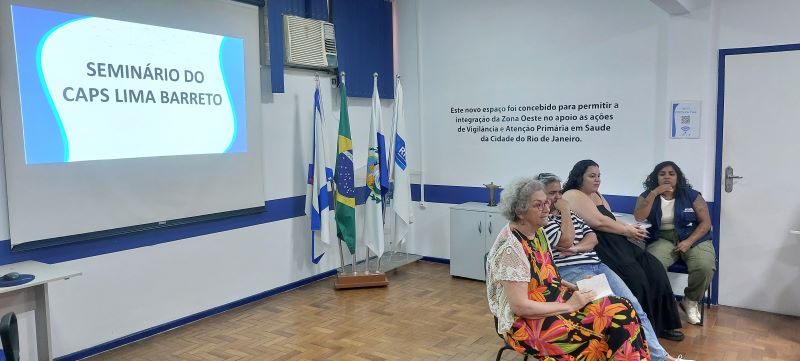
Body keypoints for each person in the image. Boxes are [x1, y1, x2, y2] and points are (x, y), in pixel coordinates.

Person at [486, 177, 650, 360]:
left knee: (623, 307)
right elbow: (520, 306)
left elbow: (547, 277)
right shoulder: (511, 249)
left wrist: (574, 287)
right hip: (528, 323)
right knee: (599, 333)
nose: (547, 209)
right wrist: (570, 305)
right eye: (538, 205)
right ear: (520, 212)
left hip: (552, 303)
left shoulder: (538, 233)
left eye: (546, 203)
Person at [537, 172, 694, 361]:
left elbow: (592, 238)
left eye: (559, 192)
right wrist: (564, 213)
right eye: (552, 193)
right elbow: (565, 239)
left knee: (634, 306)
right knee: (616, 312)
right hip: (573, 272)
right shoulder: (542, 220)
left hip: (597, 265)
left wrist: (576, 248)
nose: (559, 197)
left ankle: (662, 357)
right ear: (540, 195)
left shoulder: (569, 213)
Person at [561, 160, 684, 342]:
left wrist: (631, 228)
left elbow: (611, 218)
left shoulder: (597, 195)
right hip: (601, 247)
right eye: (592, 176)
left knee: (655, 269)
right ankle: (638, 333)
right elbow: (599, 223)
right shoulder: (572, 195)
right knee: (637, 277)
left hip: (618, 243)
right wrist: (627, 231)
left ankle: (662, 325)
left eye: (599, 175)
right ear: (579, 177)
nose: (597, 180)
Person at [634, 161, 715, 325]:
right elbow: (639, 217)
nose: (667, 177)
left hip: (694, 237)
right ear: (655, 177)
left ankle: (690, 301)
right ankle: (661, 305)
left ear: (678, 177)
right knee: (652, 266)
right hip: (662, 238)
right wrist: (654, 193)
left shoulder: (692, 195)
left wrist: (689, 241)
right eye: (662, 174)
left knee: (704, 266)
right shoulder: (647, 195)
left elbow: (705, 223)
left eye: (671, 174)